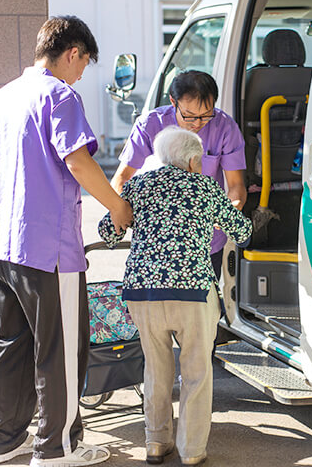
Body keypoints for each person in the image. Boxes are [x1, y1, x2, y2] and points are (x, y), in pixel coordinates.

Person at [0, 16, 132, 467]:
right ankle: (58, 448)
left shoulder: (2, 98)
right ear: (73, 52)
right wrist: (118, 207)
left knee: (9, 344)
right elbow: (78, 162)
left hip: (1, 243)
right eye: (84, 64)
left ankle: (4, 441)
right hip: (47, 247)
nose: (81, 74)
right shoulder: (60, 95)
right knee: (59, 350)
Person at [98, 126, 252, 466]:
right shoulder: (205, 186)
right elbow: (241, 231)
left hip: (144, 292)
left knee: (156, 368)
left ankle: (155, 443)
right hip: (192, 293)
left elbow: (108, 230)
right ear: (195, 161)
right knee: (196, 371)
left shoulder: (138, 185)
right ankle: (192, 451)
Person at [110, 70, 247, 279]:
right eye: (189, 116)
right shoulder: (149, 125)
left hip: (205, 245)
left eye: (206, 115)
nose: (197, 123)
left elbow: (236, 185)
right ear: (173, 102)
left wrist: (230, 208)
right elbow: (121, 178)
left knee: (204, 308)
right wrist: (125, 213)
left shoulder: (225, 127)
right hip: (154, 247)